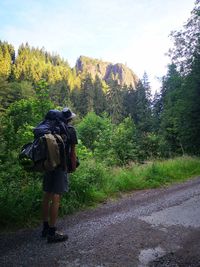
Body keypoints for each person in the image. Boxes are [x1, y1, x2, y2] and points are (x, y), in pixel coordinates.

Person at [41, 107, 78, 243]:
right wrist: (72, 167)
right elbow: (72, 152)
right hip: (61, 166)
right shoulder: (71, 131)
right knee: (56, 198)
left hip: (48, 165)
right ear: (69, 119)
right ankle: (52, 232)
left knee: (46, 195)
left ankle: (45, 228)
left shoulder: (50, 129)